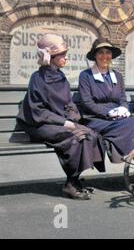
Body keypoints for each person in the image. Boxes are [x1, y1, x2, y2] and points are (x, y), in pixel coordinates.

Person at [16, 34, 105, 200]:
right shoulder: (38, 78)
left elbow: (68, 102)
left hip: (57, 122)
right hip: (38, 124)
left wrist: (73, 116)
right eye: (62, 55)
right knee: (75, 138)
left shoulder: (61, 76)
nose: (65, 57)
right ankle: (70, 185)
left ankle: (75, 179)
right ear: (50, 56)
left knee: (90, 134)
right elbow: (38, 111)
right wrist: (65, 123)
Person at [78, 38, 134, 162]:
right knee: (126, 126)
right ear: (95, 56)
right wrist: (107, 113)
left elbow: (123, 98)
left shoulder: (117, 76)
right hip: (96, 118)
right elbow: (87, 102)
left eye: (108, 52)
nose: (105, 56)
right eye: (101, 52)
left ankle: (128, 152)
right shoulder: (86, 75)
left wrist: (123, 109)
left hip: (118, 117)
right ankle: (129, 152)